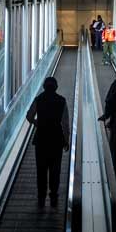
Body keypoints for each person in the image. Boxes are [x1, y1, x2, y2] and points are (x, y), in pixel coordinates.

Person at [26, 76, 70, 208]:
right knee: (55, 169)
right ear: (56, 87)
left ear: (44, 87)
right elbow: (65, 123)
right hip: (56, 139)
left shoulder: (38, 99)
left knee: (41, 169)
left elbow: (29, 115)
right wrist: (66, 140)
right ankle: (54, 197)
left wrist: (37, 123)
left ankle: (41, 198)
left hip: (41, 139)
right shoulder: (62, 101)